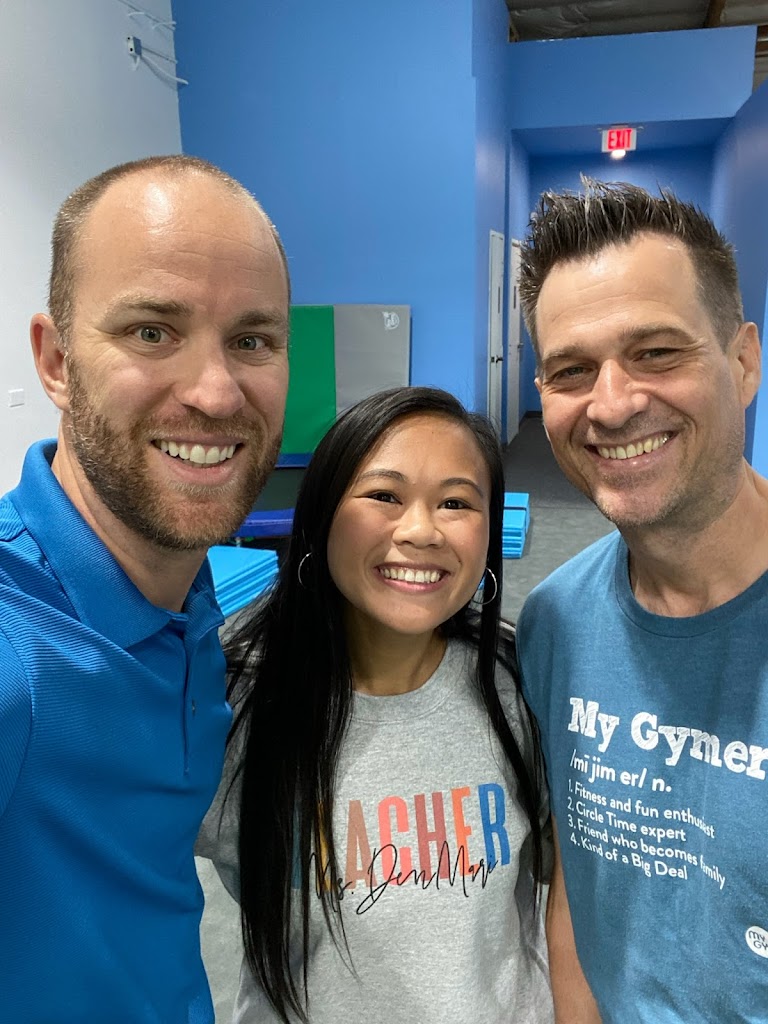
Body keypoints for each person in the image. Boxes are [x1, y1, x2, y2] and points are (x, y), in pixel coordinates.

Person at [0, 155, 290, 1023]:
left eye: (252, 340)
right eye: (152, 332)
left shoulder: (187, 601)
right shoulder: (16, 647)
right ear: (56, 361)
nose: (215, 393)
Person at [198, 386, 554, 1024]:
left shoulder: (519, 683)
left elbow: (576, 887)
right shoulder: (235, 702)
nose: (420, 531)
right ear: (322, 515)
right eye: (385, 495)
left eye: (455, 502)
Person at [515, 179, 767, 1023]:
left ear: (743, 363)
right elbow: (578, 884)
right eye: (571, 371)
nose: (614, 404)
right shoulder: (554, 622)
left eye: (657, 352)